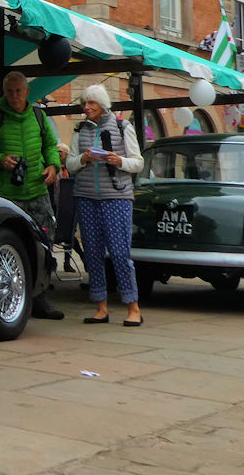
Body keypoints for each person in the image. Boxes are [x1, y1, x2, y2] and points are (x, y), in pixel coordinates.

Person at [0, 69, 64, 319]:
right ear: (4, 92)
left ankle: (41, 298)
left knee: (45, 244)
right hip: (8, 195)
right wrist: (0, 159)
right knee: (10, 244)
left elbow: (49, 145)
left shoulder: (38, 115)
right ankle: (11, 298)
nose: (14, 95)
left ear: (27, 92)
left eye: (18, 91)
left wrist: (53, 166)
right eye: (10, 91)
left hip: (37, 190)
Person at [64, 84, 143, 326]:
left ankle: (133, 307)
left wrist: (119, 161)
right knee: (94, 254)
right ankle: (101, 307)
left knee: (119, 253)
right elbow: (69, 163)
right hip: (86, 197)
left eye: (91, 103)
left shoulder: (122, 126)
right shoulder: (80, 129)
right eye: (85, 104)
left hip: (117, 197)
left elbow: (138, 162)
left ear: (102, 105)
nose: (86, 108)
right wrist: (83, 159)